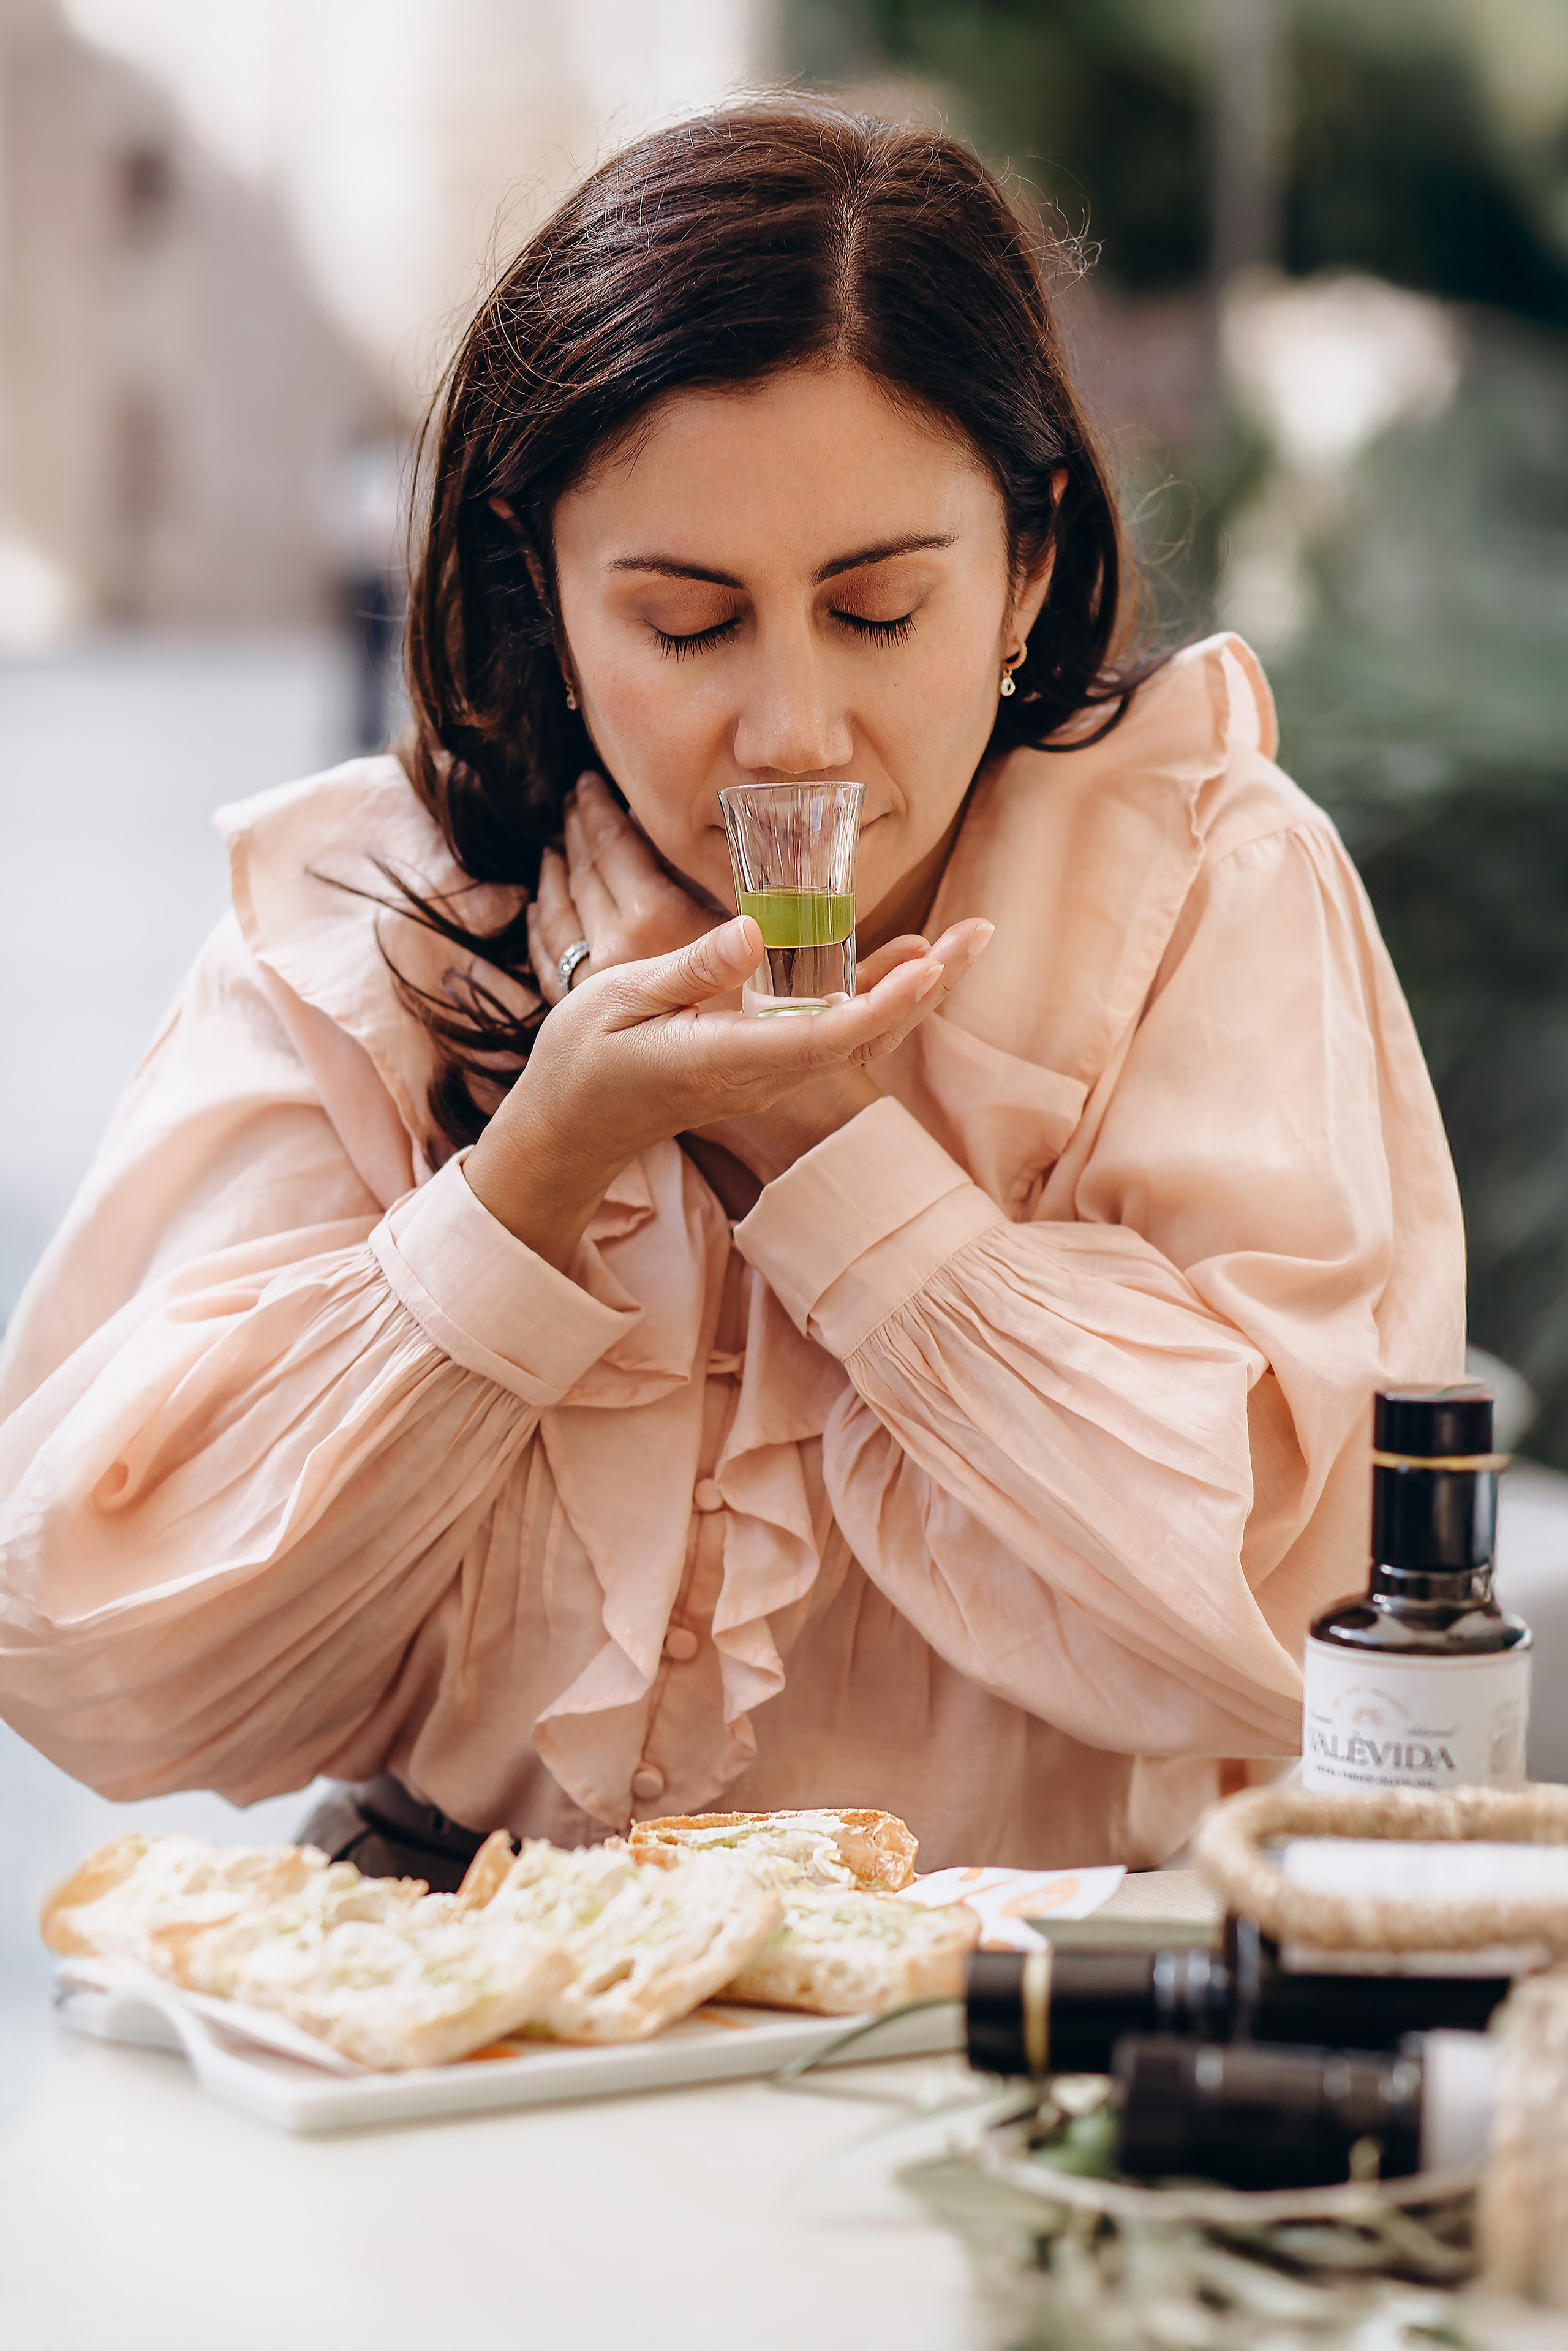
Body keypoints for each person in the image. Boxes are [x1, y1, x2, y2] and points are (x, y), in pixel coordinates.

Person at [0, 104, 1462, 1886]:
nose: (790, 734)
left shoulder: (1203, 882)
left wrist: (832, 1163)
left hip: (1024, 2052)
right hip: (455, 2033)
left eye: (876, 614)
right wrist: (524, 1190)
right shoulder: (370, 914)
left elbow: (1294, 1621)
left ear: (1024, 568)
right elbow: (103, 1659)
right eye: (688, 627)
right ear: (541, 581)